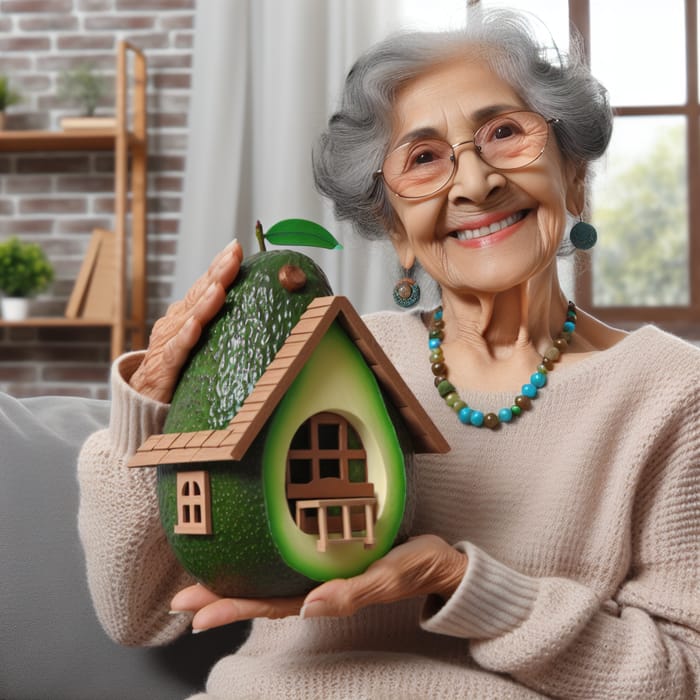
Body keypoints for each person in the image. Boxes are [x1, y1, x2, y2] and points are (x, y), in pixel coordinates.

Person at [78, 9, 700, 698]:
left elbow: (681, 678)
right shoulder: (313, 353)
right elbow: (134, 613)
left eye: (504, 133)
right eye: (425, 158)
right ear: (395, 229)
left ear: (574, 176)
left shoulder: (672, 392)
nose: (474, 184)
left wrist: (461, 584)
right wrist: (151, 410)